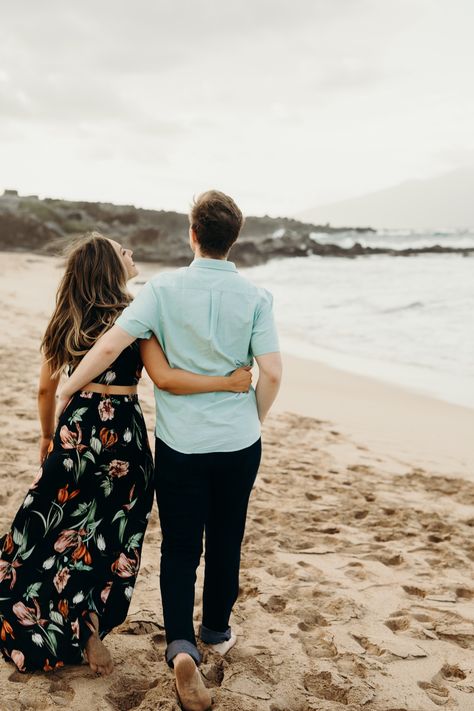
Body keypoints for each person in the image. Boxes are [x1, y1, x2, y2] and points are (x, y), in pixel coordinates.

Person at [56, 192, 282, 711]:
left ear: (191, 233)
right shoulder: (256, 297)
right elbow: (271, 372)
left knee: (181, 548)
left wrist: (69, 389)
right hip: (238, 444)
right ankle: (218, 631)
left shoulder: (162, 289)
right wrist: (252, 419)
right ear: (234, 237)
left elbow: (111, 345)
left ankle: (181, 646)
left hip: (181, 447)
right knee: (227, 539)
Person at [0, 232, 252, 677]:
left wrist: (46, 436)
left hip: (76, 433)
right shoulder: (136, 316)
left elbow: (45, 387)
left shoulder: (63, 319)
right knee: (112, 536)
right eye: (123, 250)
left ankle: (50, 618)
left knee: (53, 528)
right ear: (110, 267)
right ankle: (92, 619)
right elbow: (163, 376)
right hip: (126, 441)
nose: (131, 253)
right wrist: (226, 381)